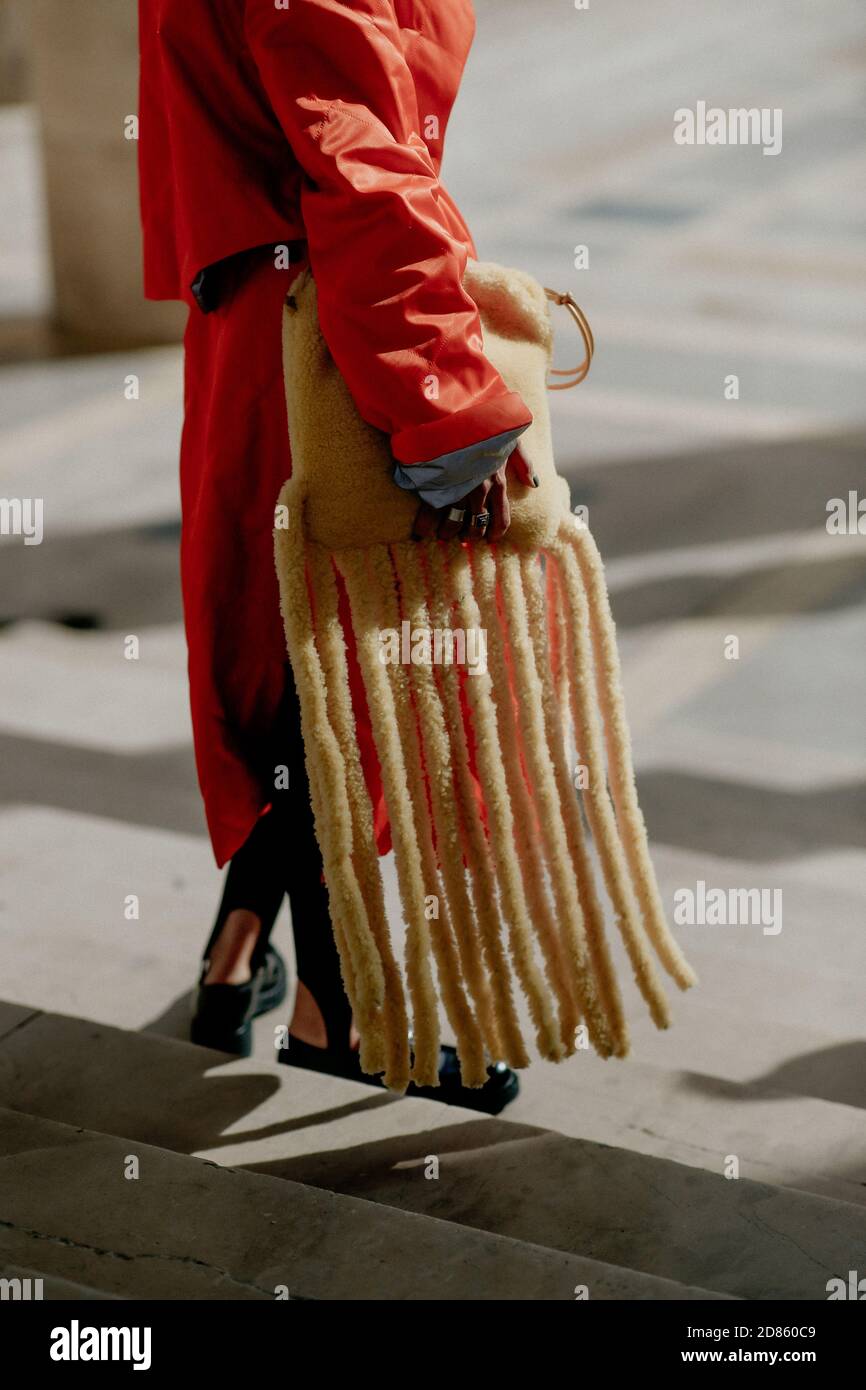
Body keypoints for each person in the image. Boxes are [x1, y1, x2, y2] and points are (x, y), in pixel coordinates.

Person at [138, 0, 534, 1112]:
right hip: (326, 322)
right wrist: (445, 404)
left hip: (268, 308)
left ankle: (237, 954)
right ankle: (335, 1013)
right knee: (334, 665)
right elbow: (352, 149)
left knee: (282, 646)